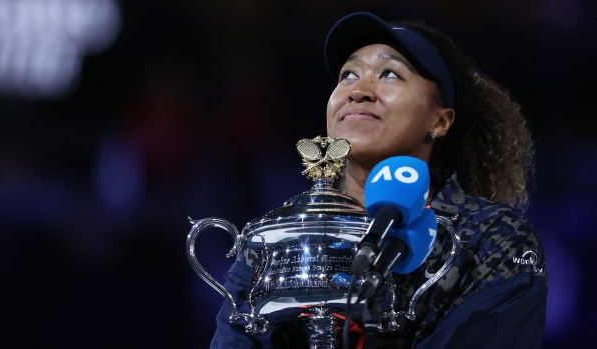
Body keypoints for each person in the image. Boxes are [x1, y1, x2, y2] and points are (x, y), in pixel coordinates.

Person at [209, 11, 547, 348]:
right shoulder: (282, 235)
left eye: (389, 74)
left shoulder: (492, 238)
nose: (359, 90)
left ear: (440, 120)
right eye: (348, 74)